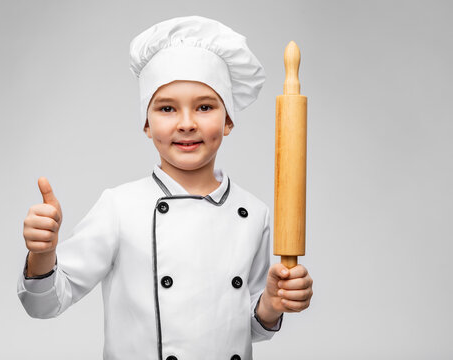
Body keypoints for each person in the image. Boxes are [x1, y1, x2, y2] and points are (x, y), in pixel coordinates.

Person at [17, 15, 313, 360]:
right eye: (167, 108)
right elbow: (46, 304)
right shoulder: (120, 207)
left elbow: (240, 328)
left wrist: (272, 303)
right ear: (146, 123)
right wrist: (42, 253)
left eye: (205, 107)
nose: (187, 123)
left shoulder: (254, 214)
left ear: (228, 119)